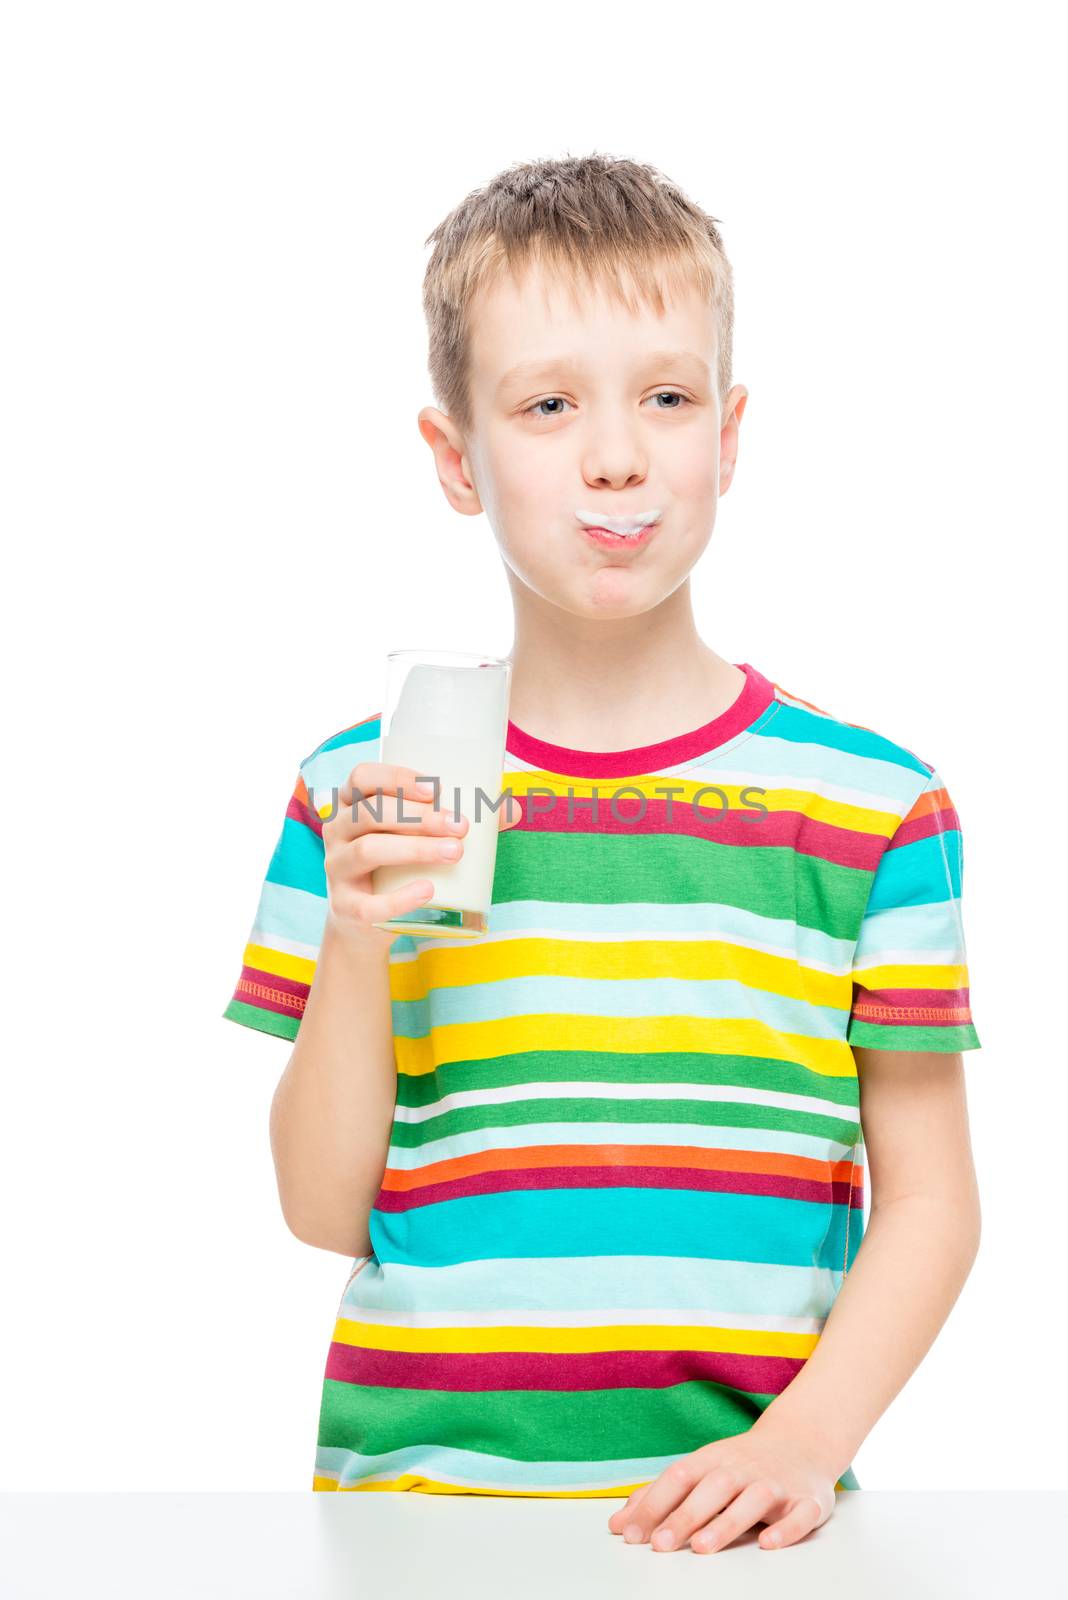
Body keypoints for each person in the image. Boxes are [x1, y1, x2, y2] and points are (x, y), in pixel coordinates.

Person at [223, 154, 982, 1555]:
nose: (617, 454)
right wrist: (357, 937)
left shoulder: (874, 807)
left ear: (730, 438)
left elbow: (930, 1198)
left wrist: (805, 1445)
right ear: (458, 457)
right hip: (418, 1518)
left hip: (748, 1527)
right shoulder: (357, 794)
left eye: (668, 397)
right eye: (549, 403)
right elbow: (323, 1209)